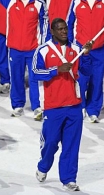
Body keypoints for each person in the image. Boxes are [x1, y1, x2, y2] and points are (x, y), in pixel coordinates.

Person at [32, 18, 92, 192]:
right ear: (52, 31)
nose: (64, 31)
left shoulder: (76, 49)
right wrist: (56, 70)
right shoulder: (43, 50)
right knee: (51, 142)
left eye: (65, 28)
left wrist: (86, 55)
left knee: (72, 145)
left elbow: (87, 71)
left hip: (74, 105)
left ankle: (68, 179)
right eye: (60, 29)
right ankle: (44, 166)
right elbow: (35, 72)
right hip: (53, 106)